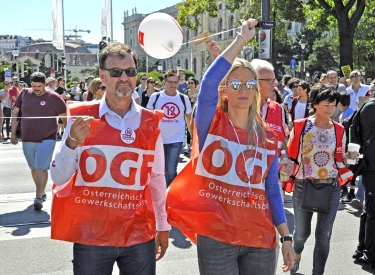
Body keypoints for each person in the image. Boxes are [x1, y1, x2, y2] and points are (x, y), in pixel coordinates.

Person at [167, 19, 294, 275]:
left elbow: (271, 189)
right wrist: (241, 40)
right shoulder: (210, 124)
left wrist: (286, 237)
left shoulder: (268, 136)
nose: (243, 90)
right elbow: (208, 85)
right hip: (217, 236)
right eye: (236, 84)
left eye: (250, 84)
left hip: (259, 236)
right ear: (225, 91)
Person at [50, 41, 170, 274]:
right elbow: (58, 175)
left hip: (138, 233)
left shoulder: (149, 121)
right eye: (116, 72)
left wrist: (163, 225)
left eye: (131, 71)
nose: (124, 77)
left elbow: (156, 177)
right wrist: (71, 143)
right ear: (102, 76)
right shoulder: (82, 116)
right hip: (92, 234)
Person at [285, 83, 353, 275]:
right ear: (315, 104)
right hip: (303, 185)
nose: (331, 109)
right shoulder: (300, 126)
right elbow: (290, 155)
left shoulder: (339, 129)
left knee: (324, 236)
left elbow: (339, 157)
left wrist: (348, 159)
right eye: (326, 105)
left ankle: (318, 272)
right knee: (301, 234)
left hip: (330, 187)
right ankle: (296, 252)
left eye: (333, 105)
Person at [10, 72, 67, 210]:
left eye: (39, 86)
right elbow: (16, 113)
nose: (36, 89)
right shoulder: (23, 95)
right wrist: (12, 134)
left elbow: (65, 118)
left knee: (41, 167)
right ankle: (40, 192)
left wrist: (67, 136)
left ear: (45, 84)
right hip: (27, 138)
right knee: (34, 168)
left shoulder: (55, 98)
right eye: (34, 86)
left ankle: (38, 197)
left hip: (48, 138)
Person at [147, 70, 192, 187]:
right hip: (158, 139)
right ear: (164, 83)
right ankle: (160, 195)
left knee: (171, 170)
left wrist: (192, 137)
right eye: (170, 82)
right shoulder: (156, 97)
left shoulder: (183, 99)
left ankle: (169, 196)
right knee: (159, 170)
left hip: (176, 138)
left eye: (175, 82)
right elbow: (148, 117)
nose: (173, 85)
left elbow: (189, 118)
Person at [352, 95, 375, 273]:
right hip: (371, 167)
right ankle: (370, 256)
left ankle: (362, 250)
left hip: (371, 166)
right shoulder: (371, 107)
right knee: (373, 211)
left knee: (370, 210)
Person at [184, 77, 199, 155]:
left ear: (195, 84)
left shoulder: (199, 92)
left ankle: (196, 145)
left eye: (192, 83)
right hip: (189, 113)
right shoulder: (186, 92)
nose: (190, 84)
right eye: (189, 83)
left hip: (197, 112)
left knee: (197, 128)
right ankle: (188, 147)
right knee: (189, 128)